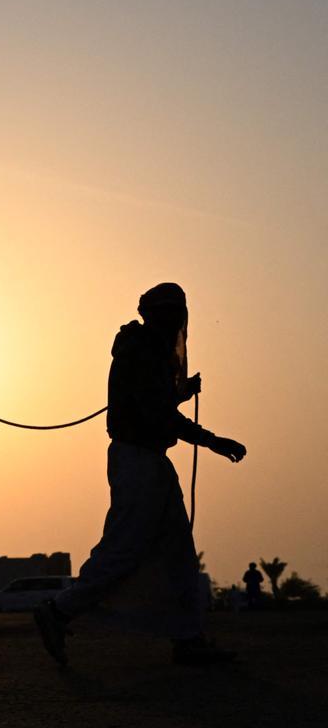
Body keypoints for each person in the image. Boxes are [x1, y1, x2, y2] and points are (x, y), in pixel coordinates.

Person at [34, 283, 247, 667]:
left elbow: (152, 402)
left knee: (179, 552)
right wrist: (211, 440)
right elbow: (155, 412)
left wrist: (179, 394)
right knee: (126, 546)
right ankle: (61, 610)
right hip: (138, 460)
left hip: (150, 460)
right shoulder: (143, 352)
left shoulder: (147, 352)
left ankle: (187, 637)